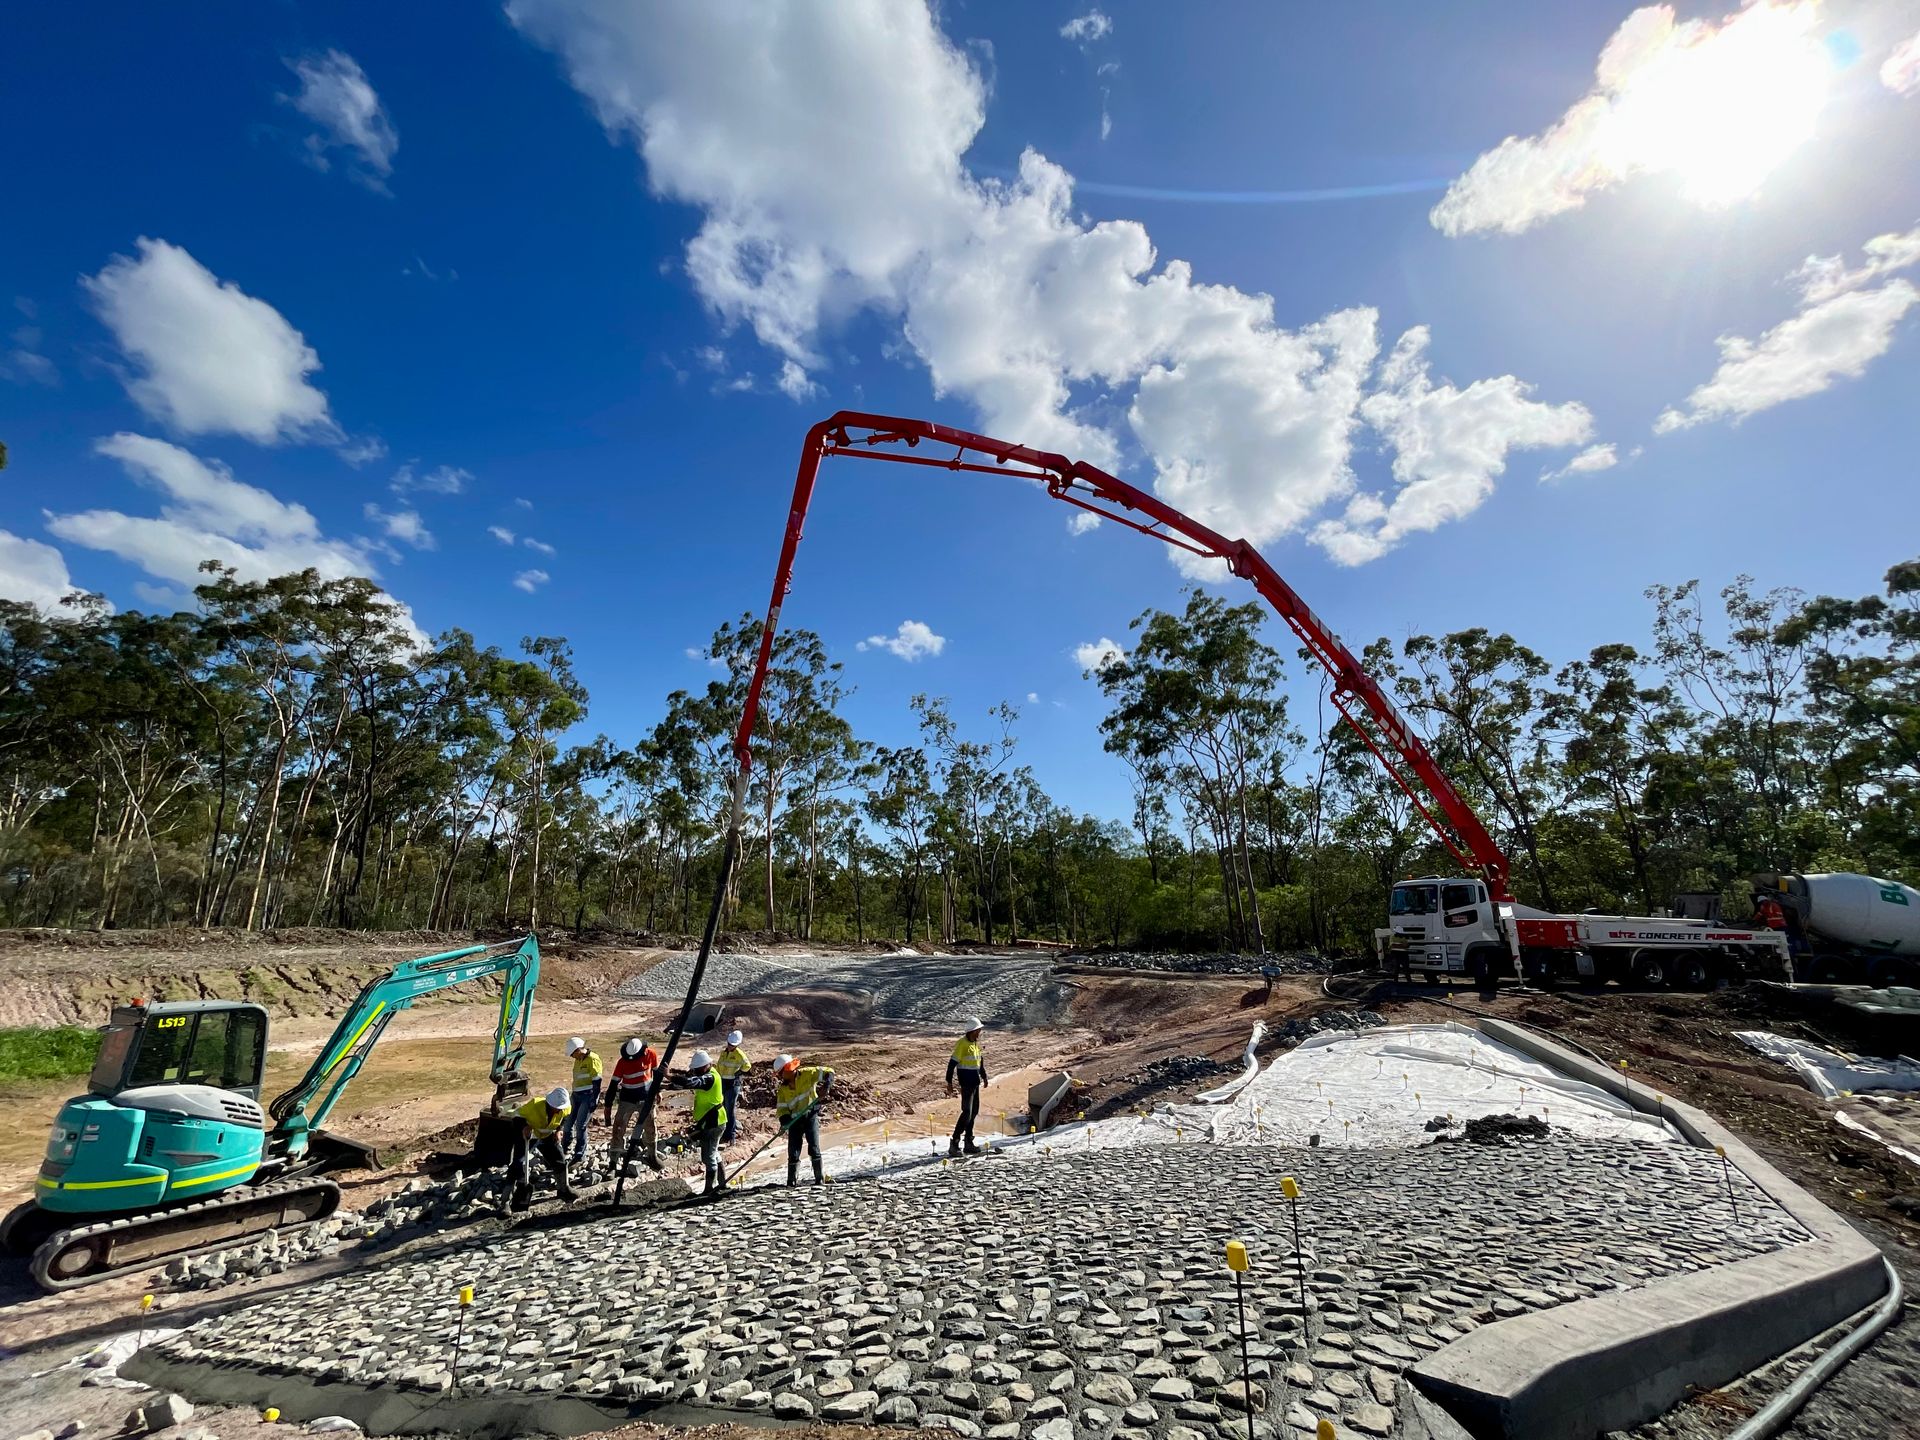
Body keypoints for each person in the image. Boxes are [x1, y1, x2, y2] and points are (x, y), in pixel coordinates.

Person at [510, 1085, 580, 1211]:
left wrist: (559, 1130)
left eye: (560, 1109)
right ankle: (509, 1198)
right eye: (556, 1109)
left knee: (559, 1160)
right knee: (519, 1163)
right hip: (531, 1136)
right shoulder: (535, 1106)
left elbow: (565, 1118)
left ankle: (563, 1189)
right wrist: (525, 1126)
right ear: (549, 1104)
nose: (558, 1111)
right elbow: (516, 1117)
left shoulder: (565, 1109)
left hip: (548, 1135)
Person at [673, 1049, 729, 1197]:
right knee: (714, 1152)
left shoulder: (709, 1078)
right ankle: (722, 1184)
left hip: (713, 1122)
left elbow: (690, 1082)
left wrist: (669, 1076)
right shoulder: (710, 1074)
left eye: (697, 1069)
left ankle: (710, 1189)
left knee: (708, 1155)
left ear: (705, 1066)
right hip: (714, 1121)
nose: (696, 1072)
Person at [774, 1053, 835, 1187]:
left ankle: (819, 1179)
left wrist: (826, 1086)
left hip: (810, 1116)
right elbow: (782, 1109)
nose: (780, 1077)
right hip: (794, 1122)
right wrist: (785, 1123)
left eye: (781, 1073)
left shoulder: (807, 1074)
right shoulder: (782, 1090)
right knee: (793, 1152)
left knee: (814, 1148)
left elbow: (829, 1072)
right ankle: (791, 1181)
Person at [604, 1036, 662, 1170]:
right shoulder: (622, 1063)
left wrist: (658, 1091)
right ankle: (613, 1164)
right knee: (618, 1129)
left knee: (650, 1127)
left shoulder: (650, 1054)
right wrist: (608, 1111)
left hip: (647, 1098)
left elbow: (656, 1075)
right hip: (627, 1100)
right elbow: (613, 1086)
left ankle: (652, 1156)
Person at [946, 1016, 989, 1157]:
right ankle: (955, 1142)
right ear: (972, 1031)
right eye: (978, 1030)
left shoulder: (975, 1044)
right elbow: (952, 1064)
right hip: (967, 1084)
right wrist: (949, 1083)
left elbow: (979, 1063)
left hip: (975, 1083)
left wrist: (984, 1076)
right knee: (967, 1112)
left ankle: (968, 1143)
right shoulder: (962, 1044)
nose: (979, 1033)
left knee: (974, 1112)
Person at [563, 1037, 603, 1163]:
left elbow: (597, 1081)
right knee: (568, 1123)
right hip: (576, 1095)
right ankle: (564, 1148)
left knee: (581, 1125)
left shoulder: (593, 1059)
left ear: (578, 1050)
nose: (572, 1057)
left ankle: (580, 1154)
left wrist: (594, 1100)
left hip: (588, 1095)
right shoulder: (578, 1060)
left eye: (573, 1053)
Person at [715, 1028, 752, 1145]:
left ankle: (730, 1136)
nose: (730, 1046)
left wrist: (739, 1072)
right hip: (722, 1082)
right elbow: (719, 1066)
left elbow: (747, 1066)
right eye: (729, 1044)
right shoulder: (724, 1053)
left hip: (732, 1083)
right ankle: (724, 1131)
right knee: (722, 1107)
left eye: (733, 1045)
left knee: (729, 1110)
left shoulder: (739, 1054)